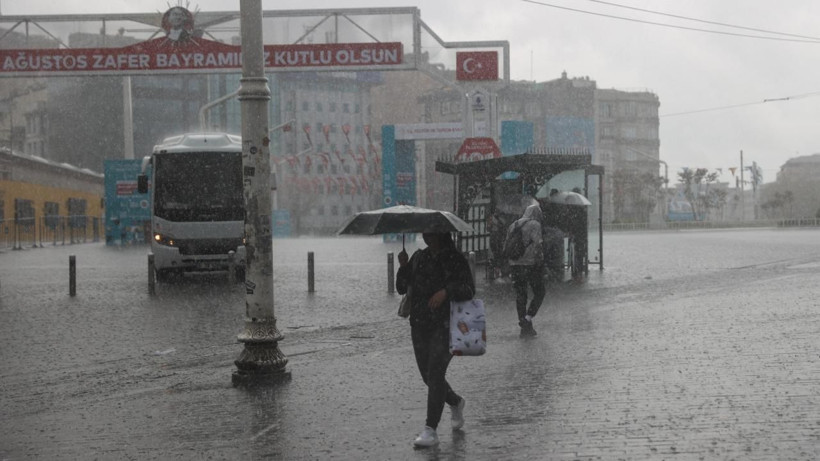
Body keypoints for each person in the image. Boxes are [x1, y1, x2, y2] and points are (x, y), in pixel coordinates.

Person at [396, 232, 475, 448]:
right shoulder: (419, 257)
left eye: (431, 231)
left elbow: (469, 290)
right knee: (428, 376)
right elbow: (402, 288)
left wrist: (446, 292)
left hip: (447, 324)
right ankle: (456, 401)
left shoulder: (455, 259)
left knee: (436, 371)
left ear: (440, 233)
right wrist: (403, 267)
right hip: (420, 324)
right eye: (425, 232)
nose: (426, 235)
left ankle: (430, 429)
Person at [506, 203, 546, 337]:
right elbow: (538, 245)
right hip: (530, 264)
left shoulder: (514, 224)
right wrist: (541, 261)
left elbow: (507, 244)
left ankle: (524, 325)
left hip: (514, 264)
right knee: (540, 292)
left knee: (521, 294)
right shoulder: (535, 224)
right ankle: (527, 318)